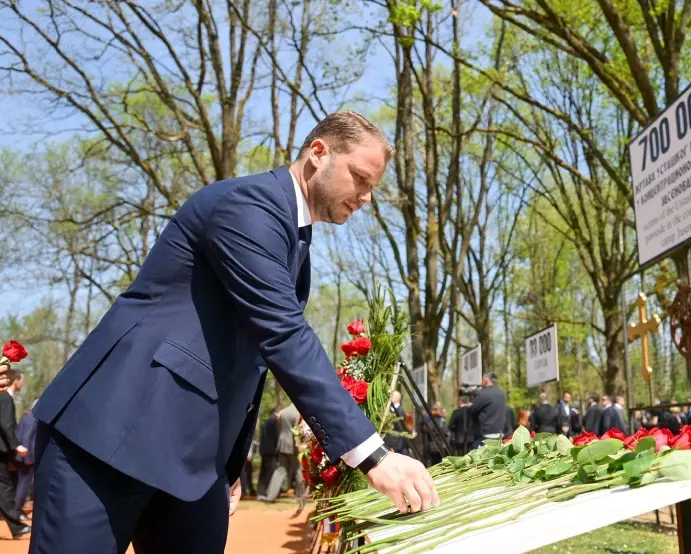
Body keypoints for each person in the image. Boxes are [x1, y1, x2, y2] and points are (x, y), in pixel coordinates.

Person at [28, 113, 438, 553]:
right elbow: (283, 334)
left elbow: (246, 359)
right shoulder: (248, 205)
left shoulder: (292, 236)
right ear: (319, 153)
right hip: (110, 432)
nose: (366, 197)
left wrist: (229, 459)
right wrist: (372, 455)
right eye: (360, 178)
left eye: (372, 186)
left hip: (194, 460)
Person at [0, 368, 29, 538]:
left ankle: (16, 526)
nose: (22, 384)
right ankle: (16, 527)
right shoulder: (5, 397)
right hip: (1, 450)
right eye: (21, 380)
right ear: (14, 380)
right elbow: (6, 424)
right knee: (4, 488)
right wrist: (16, 445)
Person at [260, 403, 304, 505]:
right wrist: (300, 446)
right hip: (293, 446)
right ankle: (301, 497)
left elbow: (279, 430)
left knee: (280, 470)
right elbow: (297, 431)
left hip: (282, 445)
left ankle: (270, 496)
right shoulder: (297, 413)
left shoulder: (283, 412)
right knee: (299, 470)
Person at [468, 373, 508, 449]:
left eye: (482, 381)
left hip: (485, 436)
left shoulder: (483, 394)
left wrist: (472, 400)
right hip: (500, 435)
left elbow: (472, 410)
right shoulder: (502, 394)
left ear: (486, 381)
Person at [257, 406, 281, 495]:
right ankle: (266, 491)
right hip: (271, 450)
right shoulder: (275, 421)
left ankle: (261, 491)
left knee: (264, 471)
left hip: (264, 450)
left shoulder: (267, 421)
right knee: (270, 471)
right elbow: (276, 436)